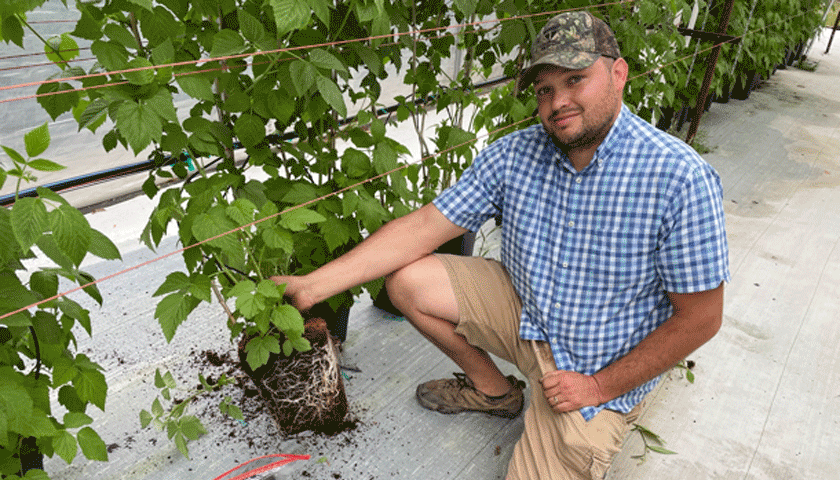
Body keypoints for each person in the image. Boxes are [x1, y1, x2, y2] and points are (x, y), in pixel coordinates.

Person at [272, 10, 729, 480]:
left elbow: (701, 318)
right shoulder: (517, 153)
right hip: (528, 312)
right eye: (544, 90)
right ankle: (496, 392)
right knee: (409, 282)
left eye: (575, 79)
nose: (558, 102)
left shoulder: (679, 177)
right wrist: (312, 284)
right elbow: (427, 224)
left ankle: (587, 410)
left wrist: (597, 386)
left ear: (618, 73)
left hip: (598, 361)